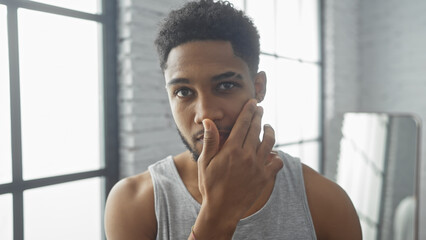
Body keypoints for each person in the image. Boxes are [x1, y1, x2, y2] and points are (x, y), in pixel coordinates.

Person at [104, 0, 362, 239]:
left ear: (258, 87)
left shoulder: (325, 202)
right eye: (183, 92)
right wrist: (217, 215)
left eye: (225, 85)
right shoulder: (135, 203)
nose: (205, 114)